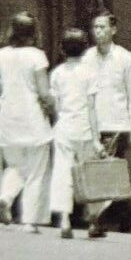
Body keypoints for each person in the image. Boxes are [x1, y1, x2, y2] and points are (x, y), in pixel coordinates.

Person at [82, 12, 131, 230]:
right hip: (95, 124)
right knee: (98, 172)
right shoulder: (87, 57)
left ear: (113, 30)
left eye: (102, 27)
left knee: (123, 172)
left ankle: (126, 216)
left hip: (120, 124)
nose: (98, 31)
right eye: (95, 27)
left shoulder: (125, 58)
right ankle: (97, 218)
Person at [0, 12, 54, 233]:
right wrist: (53, 110)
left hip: (8, 119)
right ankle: (29, 219)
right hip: (33, 119)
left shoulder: (1, 55)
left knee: (15, 166)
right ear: (34, 32)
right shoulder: (37, 56)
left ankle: (5, 198)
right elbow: (44, 93)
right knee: (36, 171)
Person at [49, 28, 104, 239]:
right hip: (84, 130)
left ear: (62, 49)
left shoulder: (57, 74)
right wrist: (96, 137)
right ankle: (92, 220)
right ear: (85, 49)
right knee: (88, 174)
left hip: (64, 128)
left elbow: (55, 105)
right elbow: (91, 108)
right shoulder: (90, 72)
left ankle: (64, 220)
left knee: (63, 173)